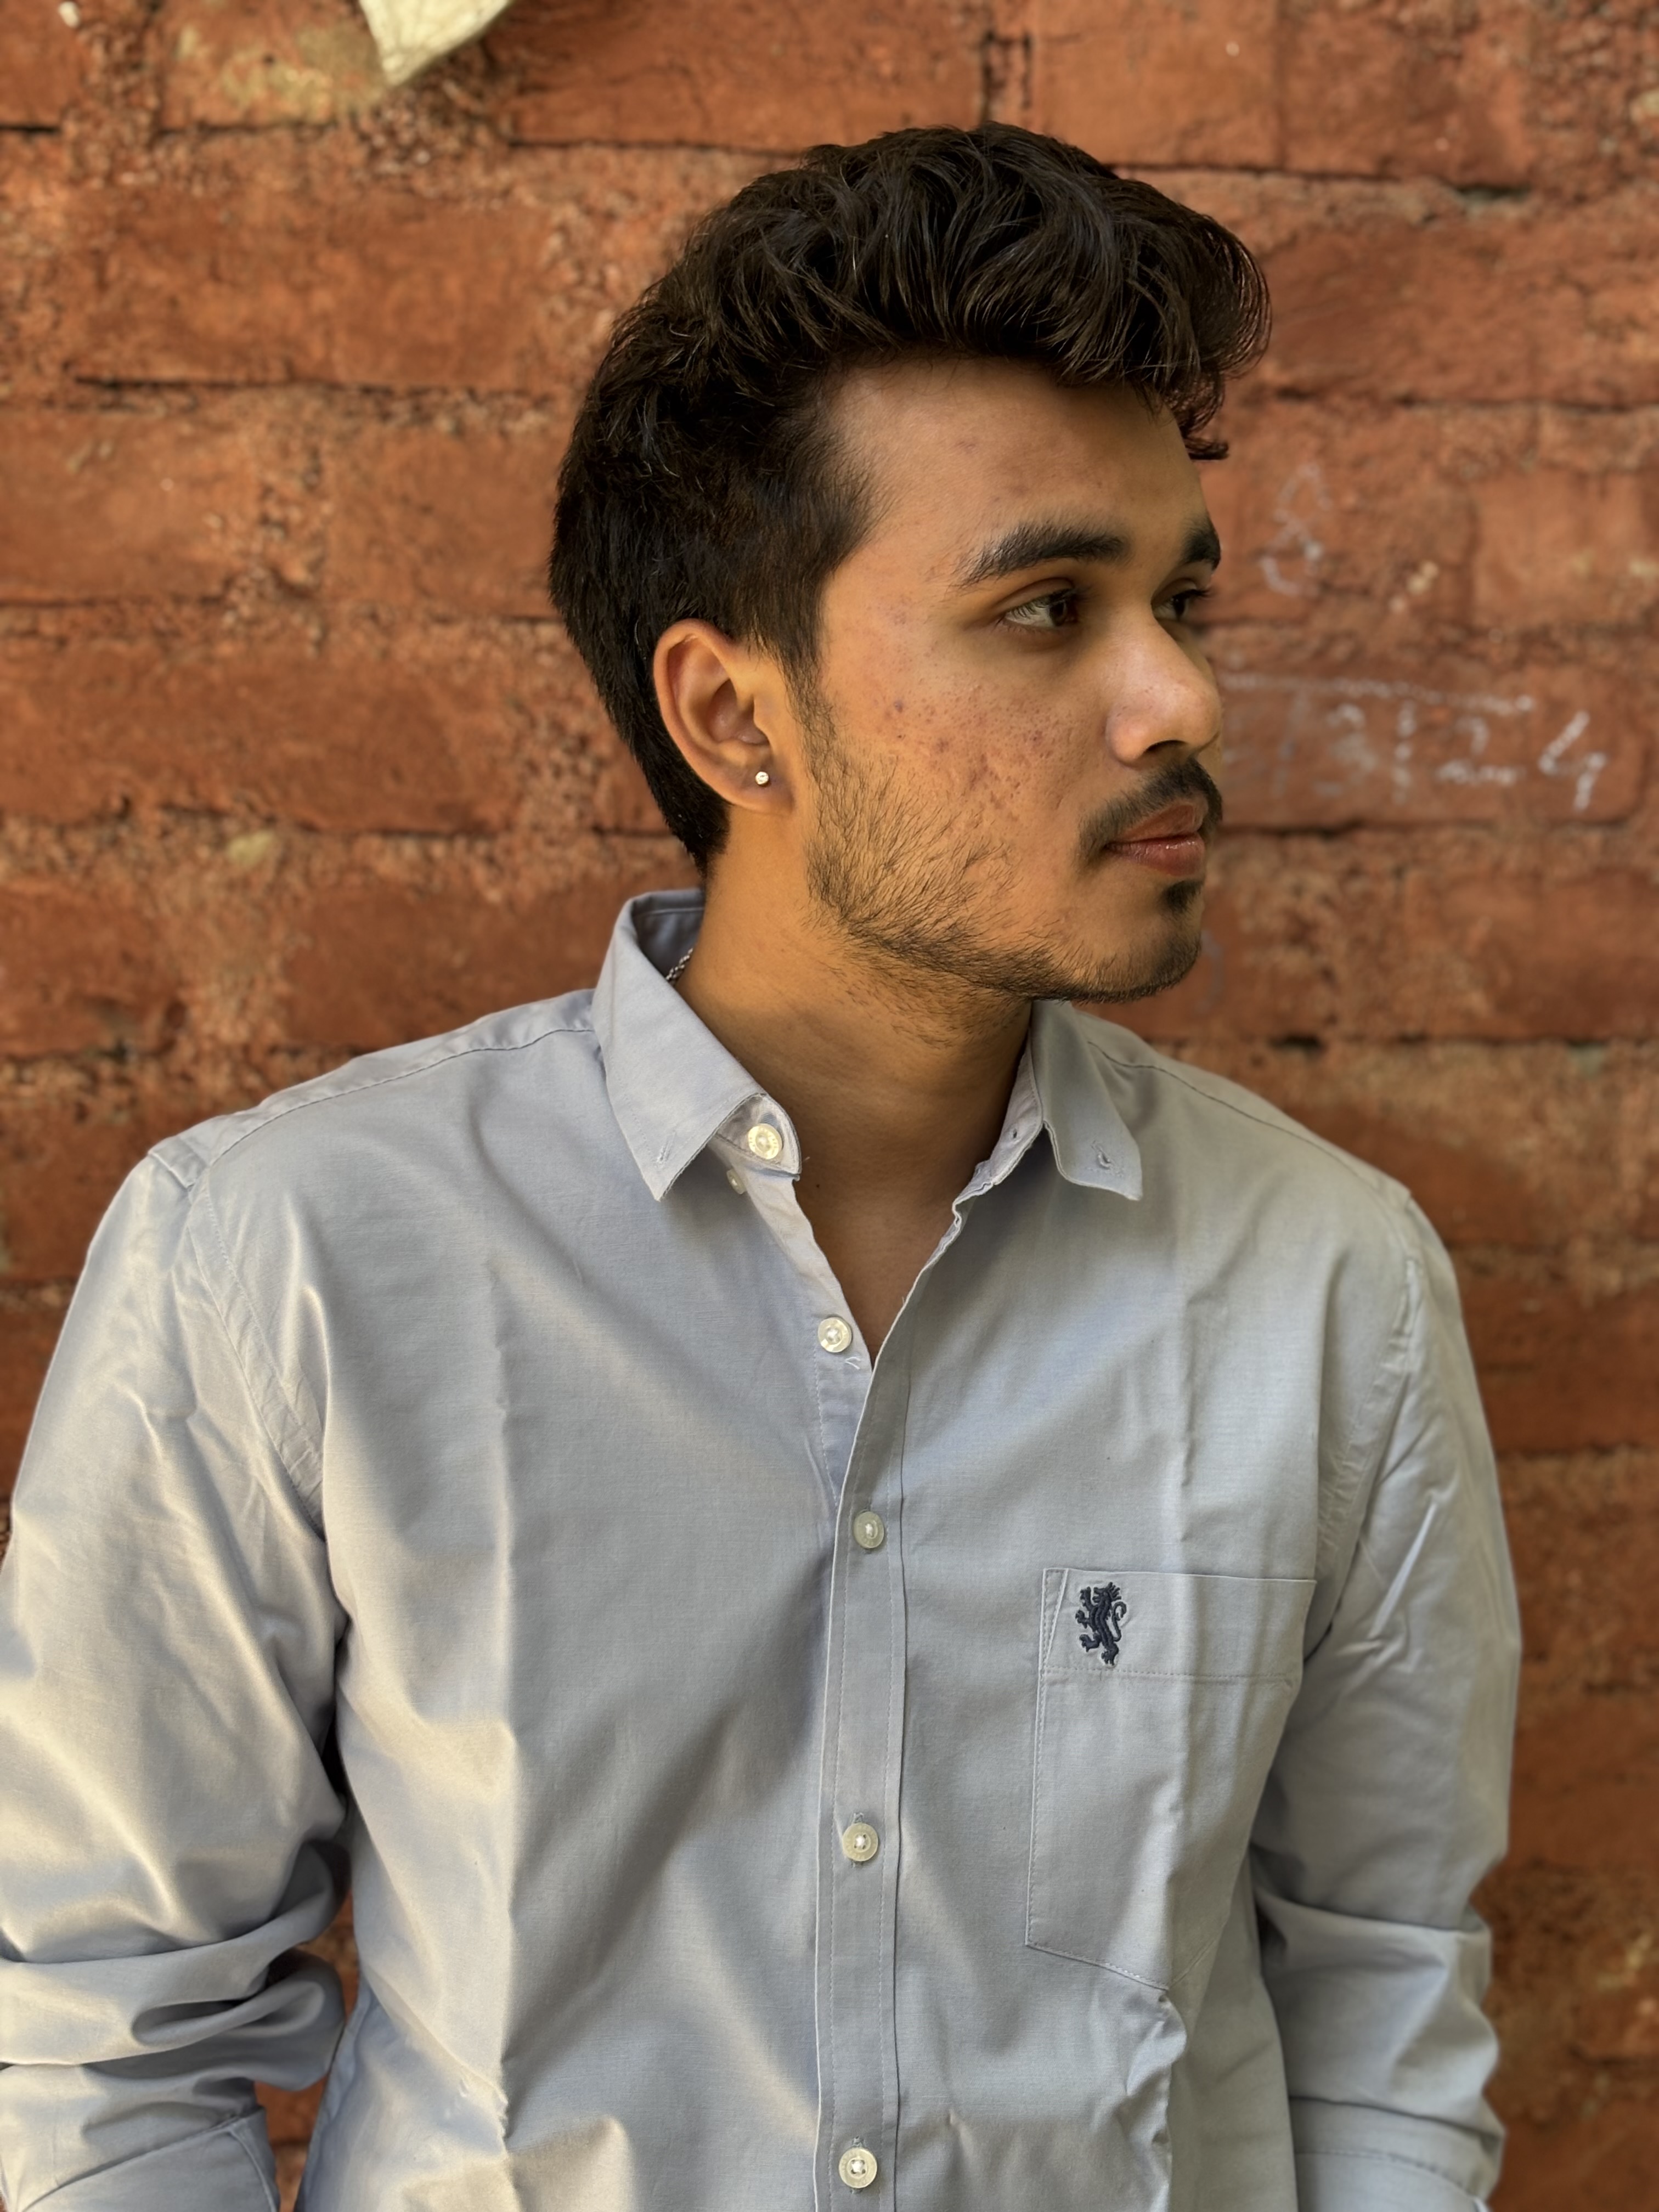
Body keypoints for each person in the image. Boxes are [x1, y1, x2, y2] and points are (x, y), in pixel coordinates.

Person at [0, 125, 1519, 2212]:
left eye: (1181, 600)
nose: (1183, 695)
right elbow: (103, 2039)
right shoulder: (292, 1258)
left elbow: (1382, 1986)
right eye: (1046, 609)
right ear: (732, 717)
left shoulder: (1329, 1283)